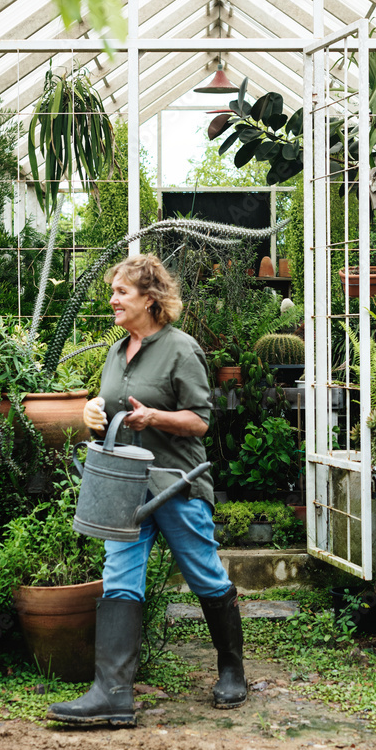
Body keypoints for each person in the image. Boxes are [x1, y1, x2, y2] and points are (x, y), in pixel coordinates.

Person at [47, 254, 247, 725]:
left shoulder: (181, 349)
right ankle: (112, 693)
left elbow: (200, 422)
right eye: (113, 291)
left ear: (150, 299)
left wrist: (154, 417)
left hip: (175, 485)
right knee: (120, 578)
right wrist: (91, 414)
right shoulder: (117, 354)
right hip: (125, 490)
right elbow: (108, 410)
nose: (112, 299)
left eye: (121, 292)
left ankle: (232, 669)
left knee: (204, 574)